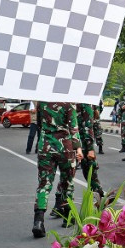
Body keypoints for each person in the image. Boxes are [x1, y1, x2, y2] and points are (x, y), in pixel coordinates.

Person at [32, 101, 83, 238]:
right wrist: (78, 148)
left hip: (45, 146)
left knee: (44, 184)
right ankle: (67, 216)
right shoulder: (69, 104)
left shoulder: (42, 102)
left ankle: (38, 221)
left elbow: (39, 124)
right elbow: (74, 128)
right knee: (67, 182)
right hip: (65, 146)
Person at [77, 103, 105, 202]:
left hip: (83, 142)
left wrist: (90, 149)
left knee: (90, 171)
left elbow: (88, 126)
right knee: (67, 173)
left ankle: (100, 195)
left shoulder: (85, 103)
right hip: (70, 141)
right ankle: (61, 202)